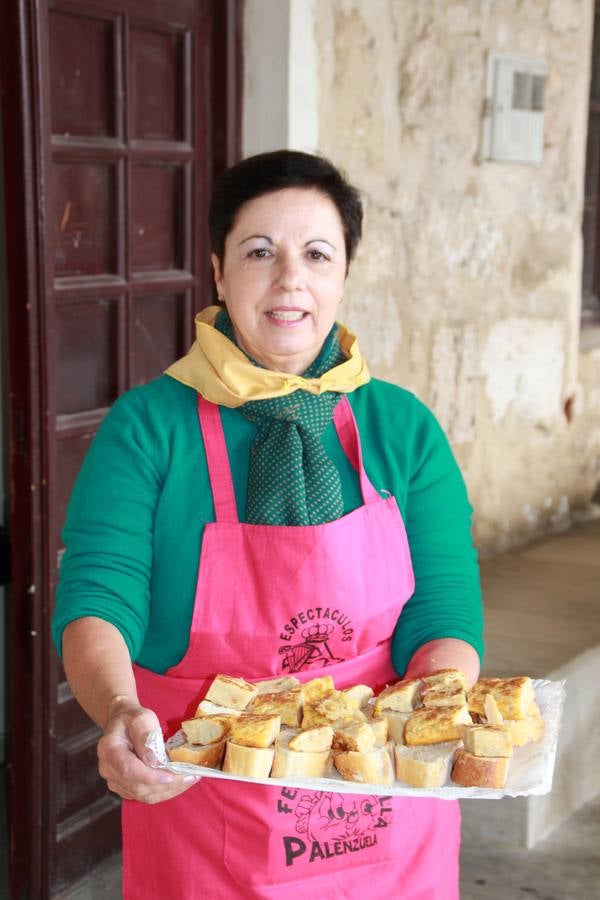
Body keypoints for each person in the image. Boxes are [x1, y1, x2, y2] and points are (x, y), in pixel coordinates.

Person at [52, 150, 483, 899]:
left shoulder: (402, 428)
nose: (290, 278)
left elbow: (443, 608)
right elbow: (99, 597)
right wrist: (121, 710)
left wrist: (426, 721)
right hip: (201, 804)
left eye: (317, 254)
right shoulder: (149, 428)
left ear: (344, 273)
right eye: (260, 252)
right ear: (219, 271)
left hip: (382, 802)